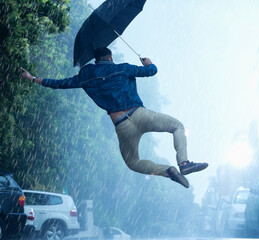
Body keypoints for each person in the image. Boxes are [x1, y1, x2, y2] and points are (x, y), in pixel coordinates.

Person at [20, 47, 208, 188]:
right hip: (140, 114)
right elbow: (152, 71)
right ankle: (183, 163)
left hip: (122, 125)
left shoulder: (85, 77)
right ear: (110, 57)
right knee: (177, 126)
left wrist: (33, 78)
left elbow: (59, 84)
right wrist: (148, 63)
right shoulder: (123, 68)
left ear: (95, 61)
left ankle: (167, 172)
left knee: (133, 163)